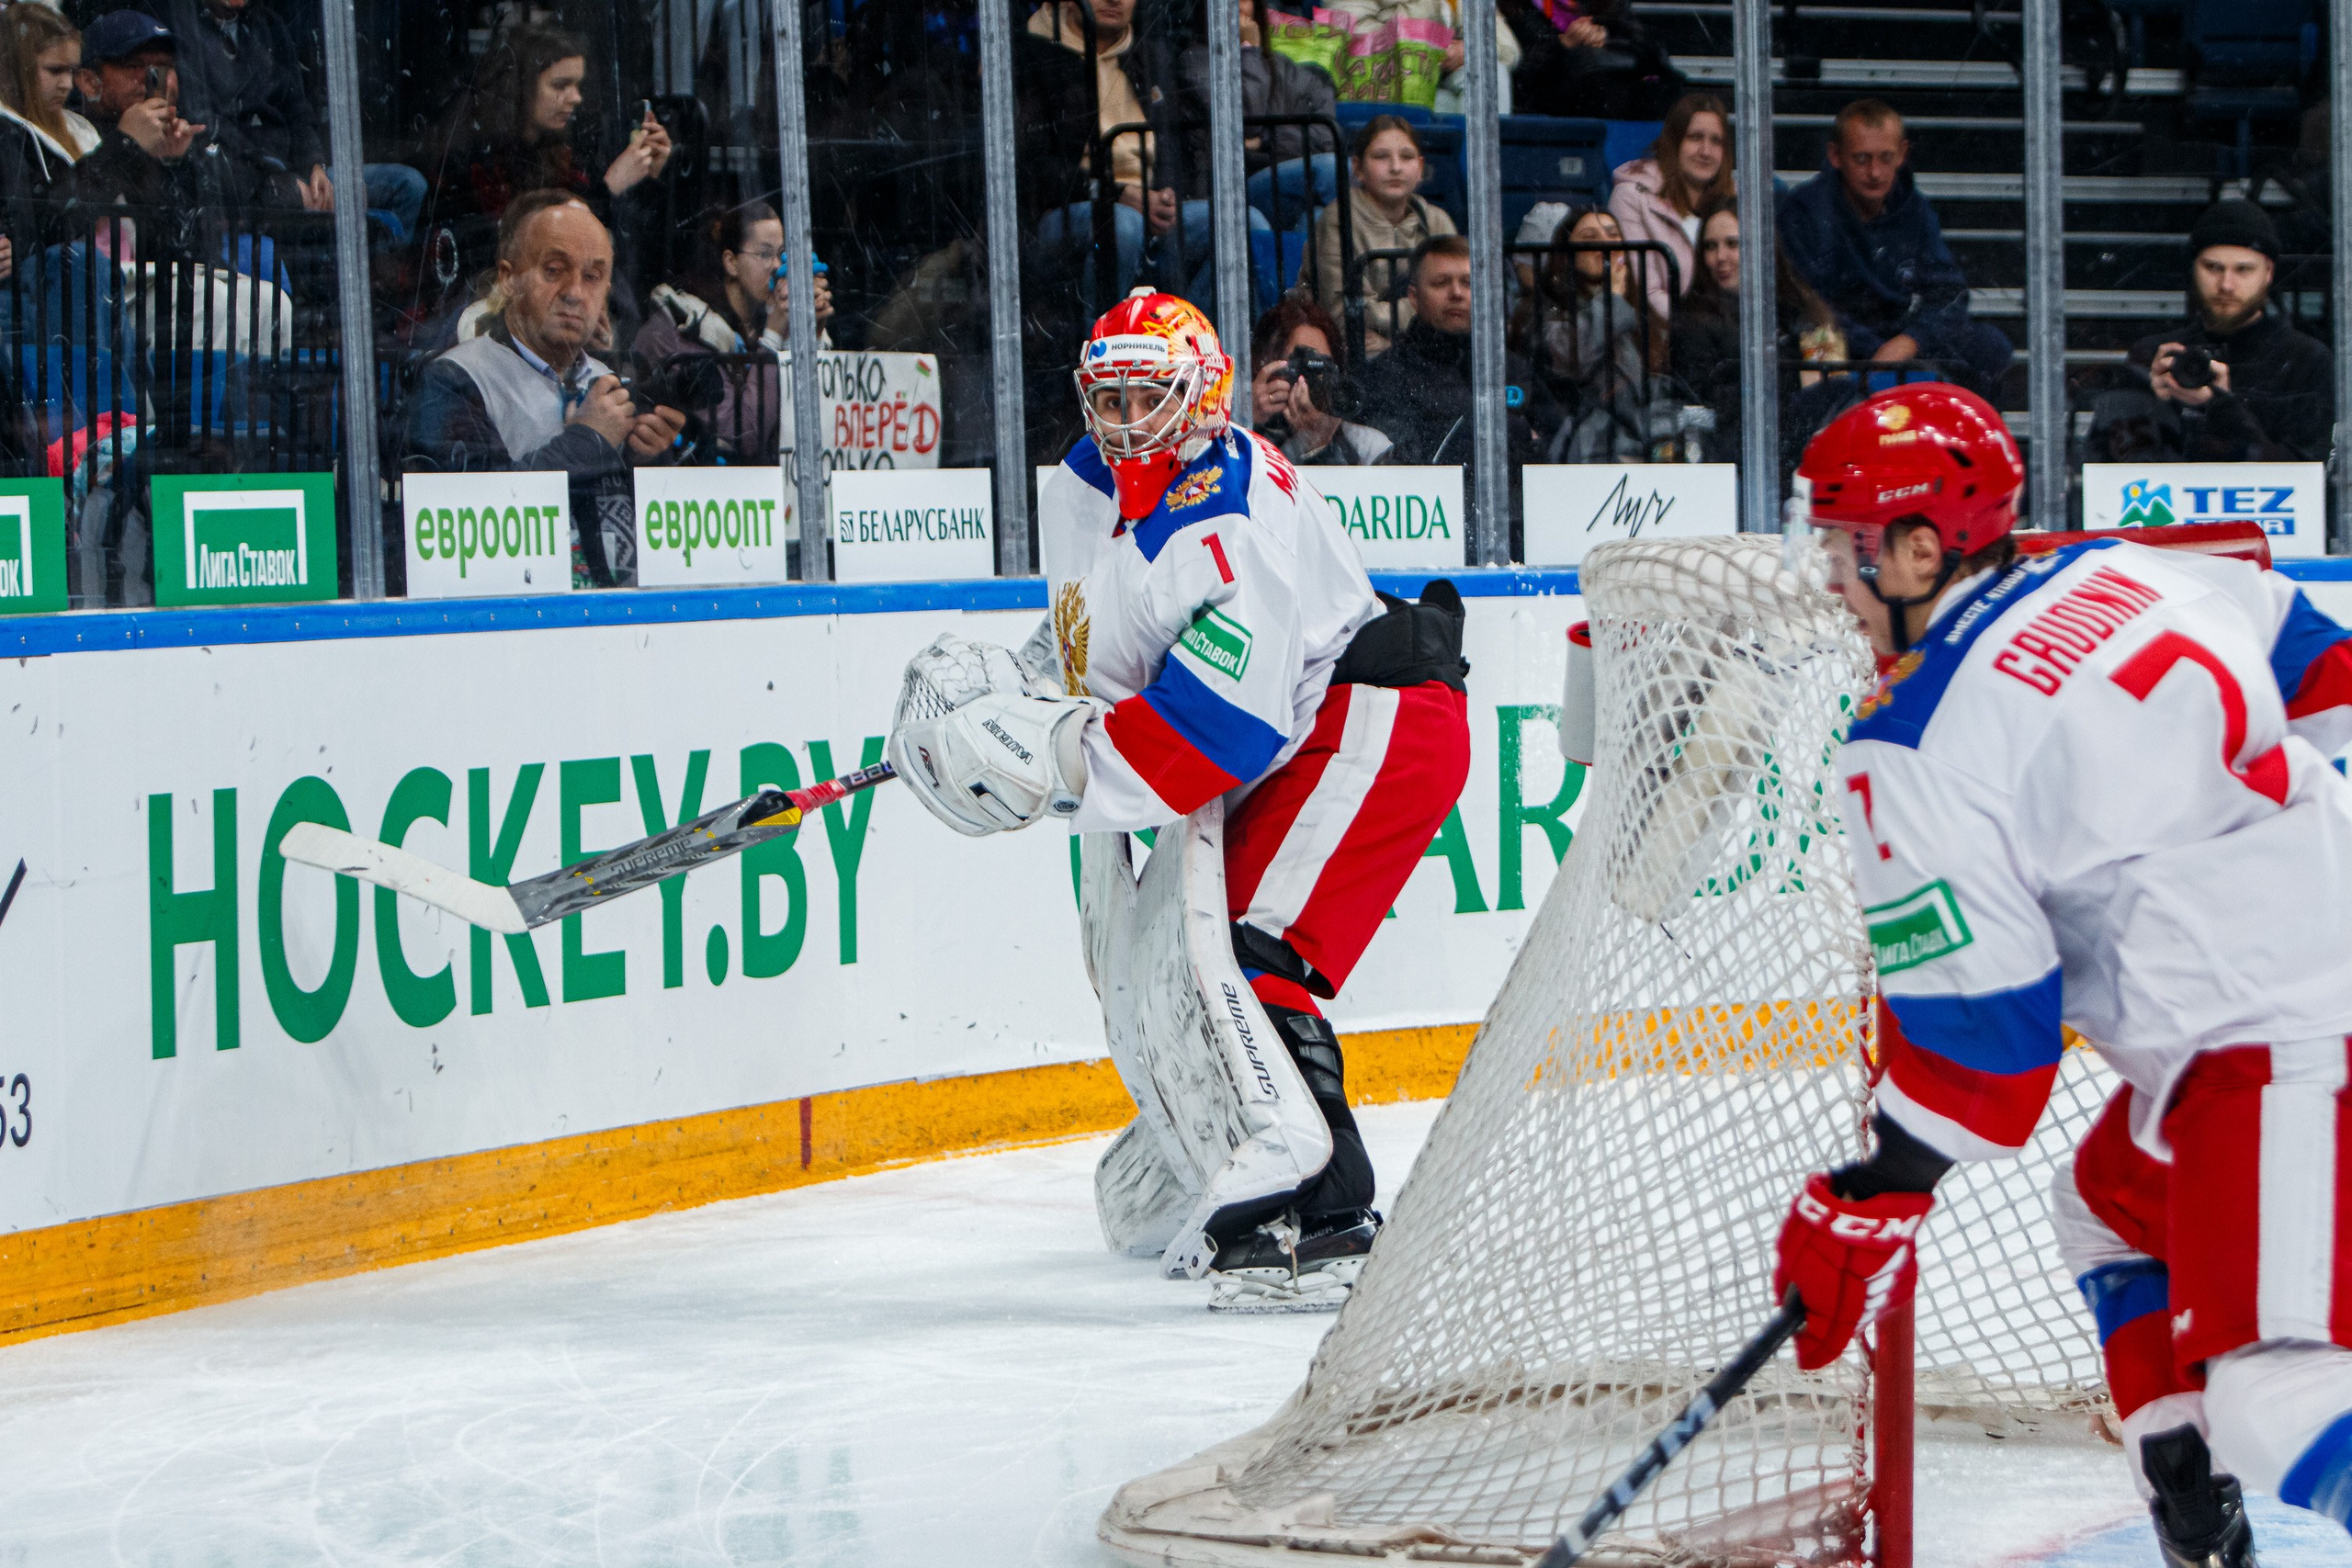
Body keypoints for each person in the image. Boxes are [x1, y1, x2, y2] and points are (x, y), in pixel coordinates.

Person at [1767, 381, 2352, 1568]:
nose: (1830, 575)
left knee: (2273, 1393)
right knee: (2110, 1200)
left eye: (1844, 541)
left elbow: (1990, 1052)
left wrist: (1876, 1186)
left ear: (1922, 546)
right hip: (2286, 998)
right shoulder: (2133, 568)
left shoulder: (1916, 735)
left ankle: (2220, 1440)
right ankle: (2189, 1488)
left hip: (2282, 1030)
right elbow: (2327, 667)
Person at [884, 290, 1472, 1310]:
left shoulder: (1224, 522)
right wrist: (1014, 698)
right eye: (1105, 399)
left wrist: (1056, 761)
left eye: (1147, 397)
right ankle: (1232, 1143)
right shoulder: (1089, 484)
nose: (1121, 423)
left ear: (1202, 398)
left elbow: (1217, 729)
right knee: (1195, 948)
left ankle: (1322, 1213)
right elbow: (1101, 651)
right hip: (1307, 727)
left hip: (1379, 720)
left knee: (1250, 951)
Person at [403, 194, 684, 588]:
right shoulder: (453, 378)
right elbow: (468, 527)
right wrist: (589, 440)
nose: (575, 292)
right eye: (554, 271)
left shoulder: (609, 381)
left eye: (592, 277)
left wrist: (649, 460)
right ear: (508, 278)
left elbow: (664, 541)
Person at [1777, 100, 2011, 400]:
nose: (1875, 172)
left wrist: (1911, 340)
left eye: (1886, 158)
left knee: (1990, 346)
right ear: (1835, 156)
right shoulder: (1805, 212)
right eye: (1862, 159)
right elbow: (1804, 302)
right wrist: (1877, 351)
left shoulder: (1916, 210)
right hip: (1838, 341)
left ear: (1902, 153)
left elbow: (1949, 292)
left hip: (1901, 339)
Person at [2086, 199, 2333, 465]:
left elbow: (2308, 481)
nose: (2226, 284)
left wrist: (2223, 409)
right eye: (2213, 268)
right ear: (2194, 268)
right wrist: (2147, 401)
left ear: (2268, 273)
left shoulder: (2306, 361)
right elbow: (2103, 470)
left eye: (2243, 270)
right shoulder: (2153, 356)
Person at [422, 27, 673, 287]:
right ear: (521, 86)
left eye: (578, 85)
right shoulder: (478, 163)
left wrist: (649, 178)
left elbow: (634, 255)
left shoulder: (560, 155)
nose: (576, 98)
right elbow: (517, 251)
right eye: (560, 85)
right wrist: (610, 187)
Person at [632, 201, 833, 464]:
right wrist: (774, 333)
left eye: (781, 254)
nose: (776, 267)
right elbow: (741, 437)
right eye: (764, 254)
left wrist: (812, 331)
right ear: (731, 262)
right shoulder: (687, 327)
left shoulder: (767, 317)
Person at [1668, 197, 1861, 468]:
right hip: (1739, 444)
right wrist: (1796, 380)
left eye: (1732, 244)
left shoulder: (1798, 305)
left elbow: (1829, 368)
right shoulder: (1693, 321)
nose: (1720, 257)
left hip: (1794, 435)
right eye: (1711, 247)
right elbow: (1706, 400)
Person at [1357, 235, 1560, 468]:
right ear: (1414, 297)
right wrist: (1516, 430)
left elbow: (1559, 445)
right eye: (1441, 283)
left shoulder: (1512, 368)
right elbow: (1402, 461)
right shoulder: (1385, 375)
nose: (1456, 293)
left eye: (1468, 283)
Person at [1176, 0, 1339, 235]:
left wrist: (1266, 140)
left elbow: (1326, 138)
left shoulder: (1286, 67)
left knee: (1321, 219)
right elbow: (1247, 121)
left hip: (1281, 178)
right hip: (1234, 187)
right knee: (1331, 169)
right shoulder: (1193, 62)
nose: (1235, 5)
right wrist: (1249, 48)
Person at [1305, 115, 1457, 357]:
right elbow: (1345, 317)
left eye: (1406, 157)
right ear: (1358, 168)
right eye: (1381, 157)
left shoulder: (1437, 221)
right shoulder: (1337, 219)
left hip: (1421, 352)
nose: (1395, 167)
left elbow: (1458, 306)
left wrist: (1392, 343)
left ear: (1420, 168)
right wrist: (1426, 307)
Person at [1605, 91, 1731, 319]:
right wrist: (1698, 331)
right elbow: (1646, 292)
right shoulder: (1632, 197)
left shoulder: (1737, 200)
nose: (1706, 151)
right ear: (1673, 142)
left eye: (1716, 141)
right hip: (1667, 339)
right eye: (1695, 138)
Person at [1249, 292, 1390, 466]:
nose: (1310, 380)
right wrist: (1247, 419)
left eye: (1323, 366)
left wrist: (1320, 444)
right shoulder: (1244, 439)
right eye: (1300, 365)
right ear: (1264, 368)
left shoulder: (1368, 448)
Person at [1498, 0, 1682, 120]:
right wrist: (1562, 44)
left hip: (1609, 103)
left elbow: (1646, 44)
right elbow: (1521, 75)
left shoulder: (1607, 5)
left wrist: (1606, 35)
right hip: (1548, 110)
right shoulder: (1518, 6)